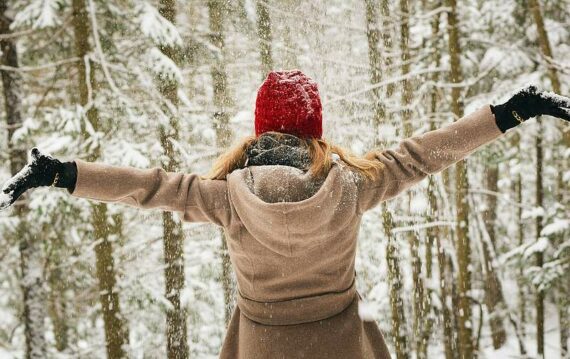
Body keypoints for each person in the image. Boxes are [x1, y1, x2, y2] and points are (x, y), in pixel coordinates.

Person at [1, 70, 569, 358]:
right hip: (344, 345)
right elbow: (426, 154)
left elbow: (150, 189)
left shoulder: (224, 197)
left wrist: (63, 173)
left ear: (259, 127)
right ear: (315, 129)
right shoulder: (353, 185)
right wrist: (513, 111)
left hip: (262, 347)